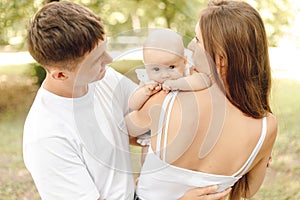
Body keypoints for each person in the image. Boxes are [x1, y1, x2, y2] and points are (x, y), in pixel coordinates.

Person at [23, 1, 231, 199]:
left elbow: (151, 123)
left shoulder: (102, 79)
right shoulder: (47, 137)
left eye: (104, 51)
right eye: (97, 60)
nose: (110, 61)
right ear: (60, 75)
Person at [125, 0, 278, 200]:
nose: (189, 45)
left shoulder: (165, 100)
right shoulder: (267, 127)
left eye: (197, 40)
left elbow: (122, 134)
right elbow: (245, 192)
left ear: (220, 59)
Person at [129, 29, 211, 164]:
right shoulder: (147, 80)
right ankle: (146, 177)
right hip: (154, 130)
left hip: (179, 127)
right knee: (148, 157)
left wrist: (177, 84)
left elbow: (204, 81)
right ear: (146, 66)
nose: (164, 74)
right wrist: (145, 92)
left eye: (171, 67)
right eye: (156, 69)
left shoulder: (187, 72)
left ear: (184, 61)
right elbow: (133, 105)